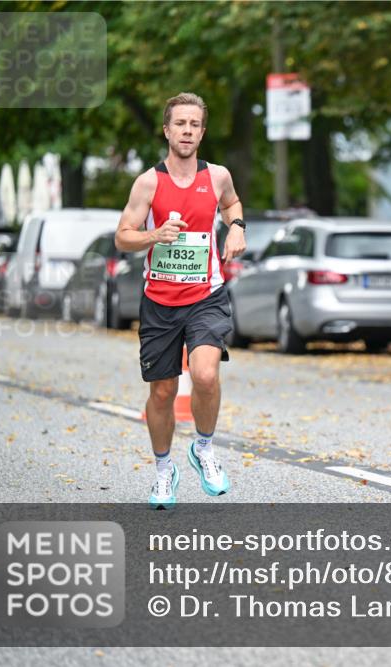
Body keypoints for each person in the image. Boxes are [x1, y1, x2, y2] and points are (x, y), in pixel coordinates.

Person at [115, 92, 246, 509]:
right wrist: (153, 236)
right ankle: (163, 469)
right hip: (159, 300)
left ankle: (204, 448)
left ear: (202, 133)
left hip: (206, 295)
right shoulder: (149, 182)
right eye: (180, 124)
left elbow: (231, 204)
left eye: (195, 125)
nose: (187, 131)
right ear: (167, 130)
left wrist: (237, 226)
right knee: (162, 392)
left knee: (205, 375)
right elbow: (123, 235)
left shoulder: (219, 175)